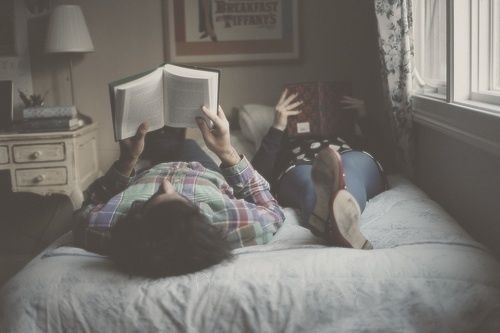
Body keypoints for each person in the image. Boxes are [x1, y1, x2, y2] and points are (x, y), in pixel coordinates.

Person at [250, 89, 387, 248]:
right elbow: (255, 177)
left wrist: (363, 117)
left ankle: (328, 224)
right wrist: (277, 127)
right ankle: (342, 224)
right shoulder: (285, 142)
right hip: (302, 164)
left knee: (348, 167)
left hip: (347, 156)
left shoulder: (348, 133)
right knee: (310, 180)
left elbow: (387, 159)